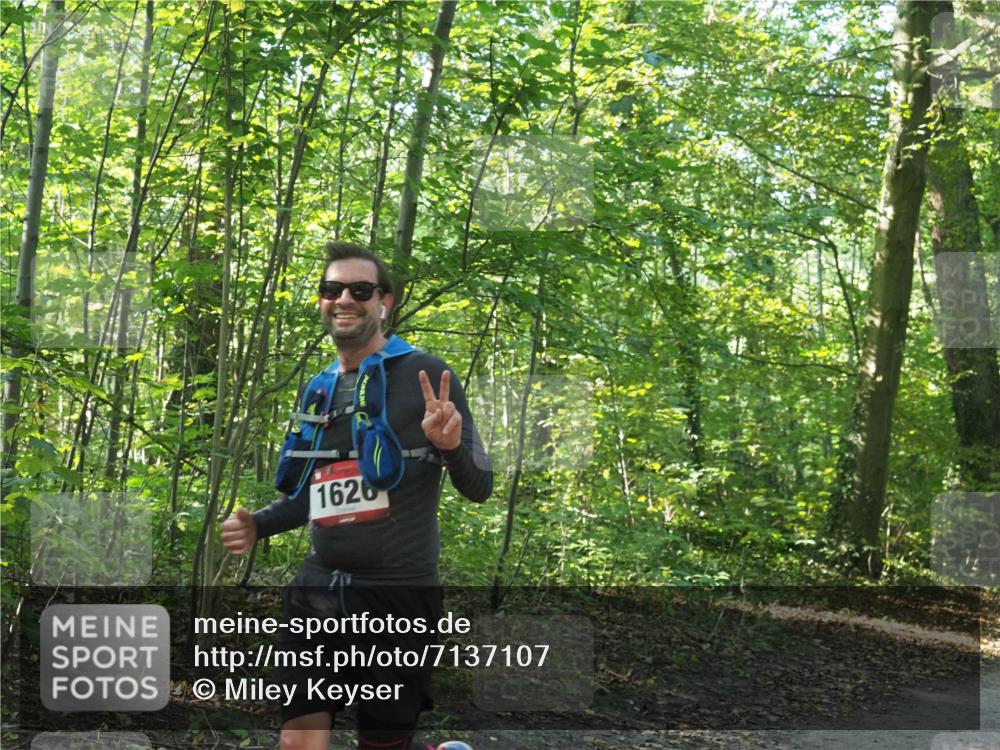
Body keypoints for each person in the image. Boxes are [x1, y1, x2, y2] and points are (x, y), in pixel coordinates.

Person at [221, 241, 491, 750]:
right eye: (332, 289)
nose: (344, 298)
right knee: (299, 740)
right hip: (318, 592)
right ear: (321, 301)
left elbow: (479, 488)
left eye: (360, 289)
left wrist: (452, 448)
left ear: (384, 301)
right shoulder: (319, 387)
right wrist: (258, 524)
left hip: (399, 595)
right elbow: (313, 495)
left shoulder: (427, 375)